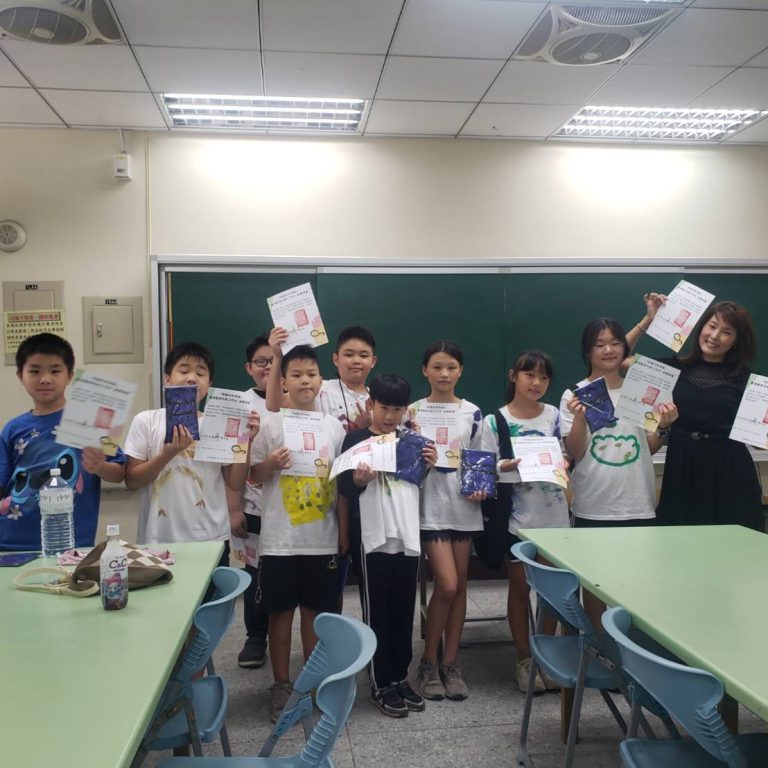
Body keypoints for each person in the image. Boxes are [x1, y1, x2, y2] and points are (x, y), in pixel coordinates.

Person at [560, 316, 677, 628]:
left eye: (615, 343)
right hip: (593, 505)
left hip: (638, 503)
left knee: (637, 583)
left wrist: (662, 428)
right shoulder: (574, 394)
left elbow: (647, 446)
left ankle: (629, 650)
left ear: (625, 349)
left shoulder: (642, 392)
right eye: (599, 344)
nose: (608, 350)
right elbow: (575, 452)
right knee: (594, 582)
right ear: (588, 351)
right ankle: (600, 647)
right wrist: (579, 419)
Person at [249, 344, 346, 723]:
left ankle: (312, 681)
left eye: (312, 374)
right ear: (283, 382)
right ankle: (281, 685)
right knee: (280, 614)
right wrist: (271, 464)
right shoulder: (272, 424)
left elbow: (341, 482)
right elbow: (253, 475)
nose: (305, 381)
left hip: (322, 538)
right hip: (280, 540)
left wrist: (343, 532)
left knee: (315, 614)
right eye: (297, 375)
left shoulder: (334, 427)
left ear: (321, 381)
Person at [337, 374, 437, 718]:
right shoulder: (355, 439)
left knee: (403, 611)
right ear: (371, 405)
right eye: (384, 408)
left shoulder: (411, 440)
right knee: (377, 613)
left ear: (405, 409)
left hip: (406, 536)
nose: (390, 416)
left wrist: (427, 463)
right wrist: (358, 481)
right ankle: (380, 682)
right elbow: (344, 490)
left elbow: (414, 482)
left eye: (397, 409)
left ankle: (400, 677)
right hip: (372, 539)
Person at [481, 350, 570, 693]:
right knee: (520, 588)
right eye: (529, 375)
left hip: (555, 518)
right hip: (517, 520)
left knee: (551, 592)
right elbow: (483, 469)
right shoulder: (495, 421)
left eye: (544, 377)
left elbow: (566, 454)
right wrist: (504, 466)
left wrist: (564, 460)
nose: (536, 383)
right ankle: (524, 659)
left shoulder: (554, 415)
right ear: (513, 376)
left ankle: (545, 656)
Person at [124, 341, 258, 553]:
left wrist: (246, 441)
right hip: (158, 538)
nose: (192, 378)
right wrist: (167, 454)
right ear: (167, 379)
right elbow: (132, 481)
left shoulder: (219, 423)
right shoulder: (146, 421)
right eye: (184, 370)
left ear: (209, 384)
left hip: (211, 536)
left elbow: (235, 482)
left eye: (200, 373)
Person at [0, 332, 126, 551]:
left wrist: (99, 467)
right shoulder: (13, 428)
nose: (45, 379)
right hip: (11, 541)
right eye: (35, 371)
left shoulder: (93, 419)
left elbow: (119, 473)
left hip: (69, 543)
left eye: (55, 370)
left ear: (69, 376)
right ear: (21, 376)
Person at [411, 340, 485, 702]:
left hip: (464, 509)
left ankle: (451, 663)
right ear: (425, 370)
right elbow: (403, 465)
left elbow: (480, 459)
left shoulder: (473, 413)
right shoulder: (413, 411)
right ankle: (428, 661)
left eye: (451, 367)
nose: (444, 374)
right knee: (447, 584)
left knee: (461, 587)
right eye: (437, 366)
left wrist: (480, 487)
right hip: (429, 508)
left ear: (460, 371)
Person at [649, 301, 763, 529]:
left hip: (730, 469)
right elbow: (620, 359)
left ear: (735, 341)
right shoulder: (671, 369)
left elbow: (760, 440)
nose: (715, 336)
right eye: (712, 326)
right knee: (681, 539)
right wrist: (651, 319)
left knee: (733, 541)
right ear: (701, 327)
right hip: (683, 466)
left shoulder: (749, 381)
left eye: (726, 332)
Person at [228, 335, 272, 669]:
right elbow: (226, 462)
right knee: (256, 573)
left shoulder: (302, 400)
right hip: (253, 504)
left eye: (275, 361)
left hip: (295, 508)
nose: (268, 367)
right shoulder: (237, 404)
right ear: (248, 368)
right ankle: (256, 636)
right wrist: (233, 508)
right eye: (261, 361)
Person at [265, 325, 377, 430]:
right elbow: (274, 404)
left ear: (373, 361)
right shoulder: (319, 388)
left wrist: (369, 428)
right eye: (349, 355)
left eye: (363, 355)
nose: (356, 361)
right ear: (336, 359)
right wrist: (277, 356)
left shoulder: (379, 400)